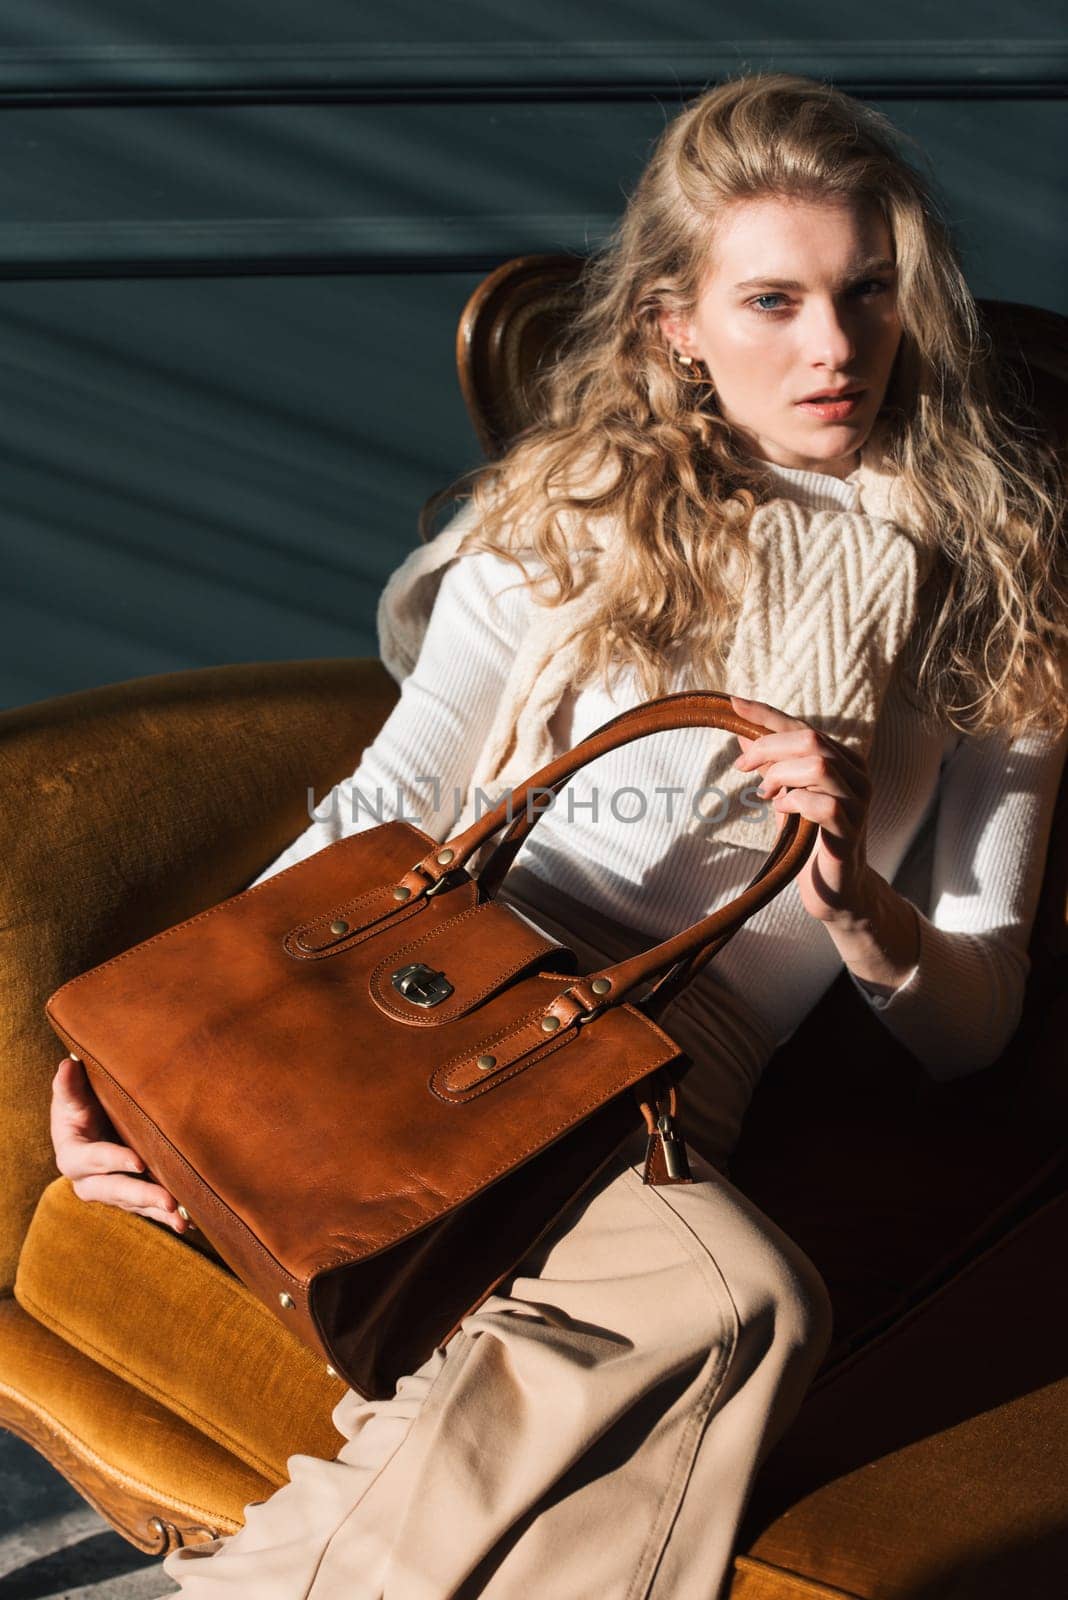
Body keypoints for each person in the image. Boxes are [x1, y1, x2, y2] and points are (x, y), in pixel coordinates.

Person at [49, 71, 1066, 1599]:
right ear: (675, 321)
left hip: (661, 1091)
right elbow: (387, 806)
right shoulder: (572, 512)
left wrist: (859, 898)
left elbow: (973, 1022)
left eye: (869, 293)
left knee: (731, 1304)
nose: (836, 348)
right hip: (438, 1029)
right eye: (773, 300)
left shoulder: (1003, 604)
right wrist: (170, 1050)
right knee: (751, 1296)